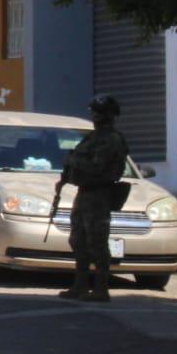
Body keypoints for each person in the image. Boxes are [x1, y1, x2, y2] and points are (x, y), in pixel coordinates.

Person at [58, 94, 132, 302]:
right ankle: (80, 285)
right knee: (78, 240)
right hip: (85, 193)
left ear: (108, 115)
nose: (95, 116)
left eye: (99, 113)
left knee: (97, 241)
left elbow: (97, 166)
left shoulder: (111, 139)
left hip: (99, 194)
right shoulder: (93, 137)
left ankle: (101, 288)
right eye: (94, 112)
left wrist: (73, 159)